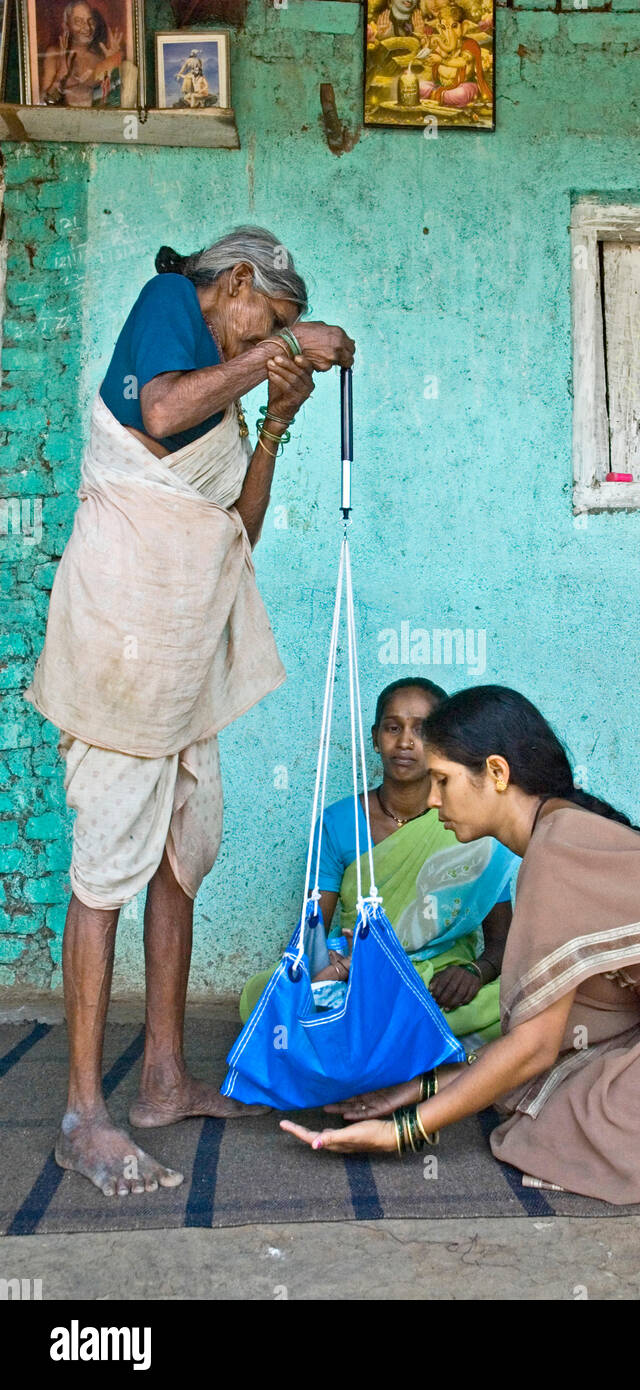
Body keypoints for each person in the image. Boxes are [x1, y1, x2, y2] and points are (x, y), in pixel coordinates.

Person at [25, 226, 355, 1198]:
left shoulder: (227, 378)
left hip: (184, 657)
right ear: (239, 281)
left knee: (179, 858)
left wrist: (281, 420)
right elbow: (162, 408)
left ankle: (163, 1080)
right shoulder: (175, 303)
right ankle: (84, 1112)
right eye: (275, 317)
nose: (278, 337)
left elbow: (237, 529)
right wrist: (274, 355)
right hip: (124, 640)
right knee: (107, 871)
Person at [281, 686, 640, 1204]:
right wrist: (419, 1087)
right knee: (547, 1100)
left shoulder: (555, 854)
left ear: (497, 773)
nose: (433, 800)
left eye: (443, 781)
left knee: (595, 1128)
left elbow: (533, 1048)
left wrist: (405, 1130)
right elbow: (549, 1042)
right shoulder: (559, 831)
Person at [240, 678, 519, 1045]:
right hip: (359, 975)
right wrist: (336, 968)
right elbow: (312, 932)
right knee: (264, 994)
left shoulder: (469, 826)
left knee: (513, 1004)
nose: (404, 742)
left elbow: (503, 942)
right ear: (375, 738)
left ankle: (373, 1055)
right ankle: (430, 1060)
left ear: (443, 743)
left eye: (421, 730)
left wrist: (475, 971)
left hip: (441, 981)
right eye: (392, 728)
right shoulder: (339, 822)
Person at [40, 2, 124, 107]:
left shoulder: (102, 57)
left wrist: (113, 66)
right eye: (79, 22)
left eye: (90, 21)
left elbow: (113, 102)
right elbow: (43, 103)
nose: (87, 28)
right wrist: (59, 76)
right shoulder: (55, 54)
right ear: (66, 26)